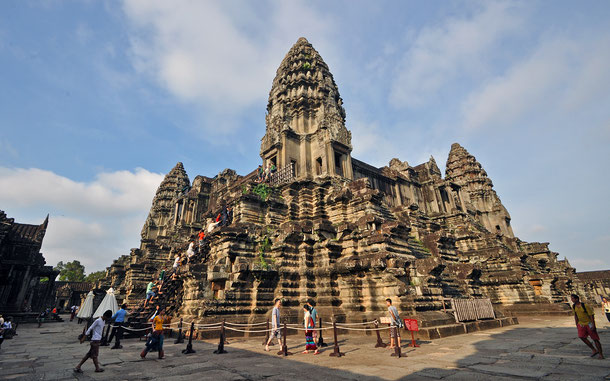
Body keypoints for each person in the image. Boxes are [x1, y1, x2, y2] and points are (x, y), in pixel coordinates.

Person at [571, 294, 604, 359]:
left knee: (595, 339)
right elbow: (575, 315)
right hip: (581, 324)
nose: (572, 300)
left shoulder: (585, 306)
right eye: (571, 299)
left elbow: (591, 316)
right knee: (581, 337)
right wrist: (577, 324)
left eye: (573, 299)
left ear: (577, 299)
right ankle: (593, 349)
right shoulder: (574, 306)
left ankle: (601, 354)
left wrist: (593, 325)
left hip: (589, 323)